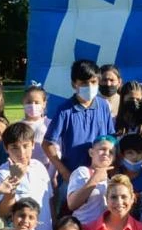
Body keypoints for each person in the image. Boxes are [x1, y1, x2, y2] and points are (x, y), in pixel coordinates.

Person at [43, 59, 115, 189]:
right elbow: (47, 143)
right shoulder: (65, 110)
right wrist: (64, 172)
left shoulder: (104, 105)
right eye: (84, 83)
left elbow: (111, 139)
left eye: (93, 82)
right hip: (73, 177)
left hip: (99, 175)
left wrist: (108, 165)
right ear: (74, 84)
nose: (89, 87)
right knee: (70, 208)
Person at [0, 122, 55, 230]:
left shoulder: (39, 167)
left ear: (32, 144)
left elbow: (50, 199)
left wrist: (55, 226)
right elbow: (2, 212)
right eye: (15, 147)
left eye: (25, 146)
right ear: (6, 148)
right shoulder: (1, 173)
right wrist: (14, 180)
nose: (21, 152)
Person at [63, 135, 116, 224]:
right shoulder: (82, 172)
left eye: (111, 152)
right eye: (102, 149)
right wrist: (95, 178)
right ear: (91, 152)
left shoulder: (111, 180)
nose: (106, 153)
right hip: (84, 229)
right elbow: (72, 204)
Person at [22, 83, 57, 178]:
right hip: (24, 170)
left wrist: (51, 175)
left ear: (44, 104)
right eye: (29, 102)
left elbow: (56, 150)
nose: (32, 105)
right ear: (23, 103)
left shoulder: (50, 124)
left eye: (37, 102)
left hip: (46, 169)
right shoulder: (18, 125)